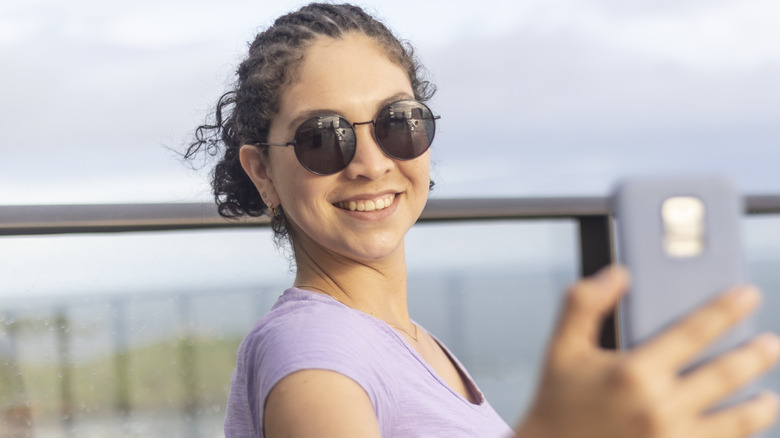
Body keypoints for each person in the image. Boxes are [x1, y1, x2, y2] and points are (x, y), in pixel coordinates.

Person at [186, 3, 780, 437]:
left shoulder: (408, 344)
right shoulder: (314, 350)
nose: (371, 163)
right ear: (262, 172)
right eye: (323, 138)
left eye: (398, 123)